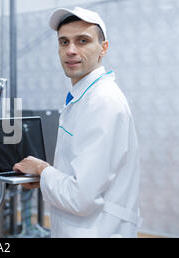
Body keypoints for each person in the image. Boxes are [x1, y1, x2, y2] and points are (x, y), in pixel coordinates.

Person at [13, 7, 142, 238]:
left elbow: (80, 197)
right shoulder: (84, 97)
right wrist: (43, 179)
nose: (70, 50)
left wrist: (42, 170)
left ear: (103, 48)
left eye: (82, 41)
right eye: (64, 42)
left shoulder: (102, 102)